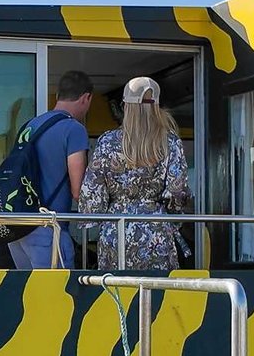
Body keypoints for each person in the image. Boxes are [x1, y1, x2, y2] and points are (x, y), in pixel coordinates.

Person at [80, 76, 190, 270]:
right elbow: (177, 191)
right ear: (157, 105)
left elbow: (92, 191)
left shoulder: (108, 142)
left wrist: (94, 218)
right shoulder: (170, 142)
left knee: (116, 293)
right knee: (157, 294)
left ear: (125, 105)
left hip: (116, 230)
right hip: (156, 230)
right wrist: (173, 217)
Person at [9, 71, 95, 268]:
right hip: (48, 229)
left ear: (57, 96)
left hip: (19, 230)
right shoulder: (74, 129)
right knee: (58, 296)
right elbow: (77, 190)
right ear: (86, 98)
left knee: (29, 295)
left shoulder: (29, 126)